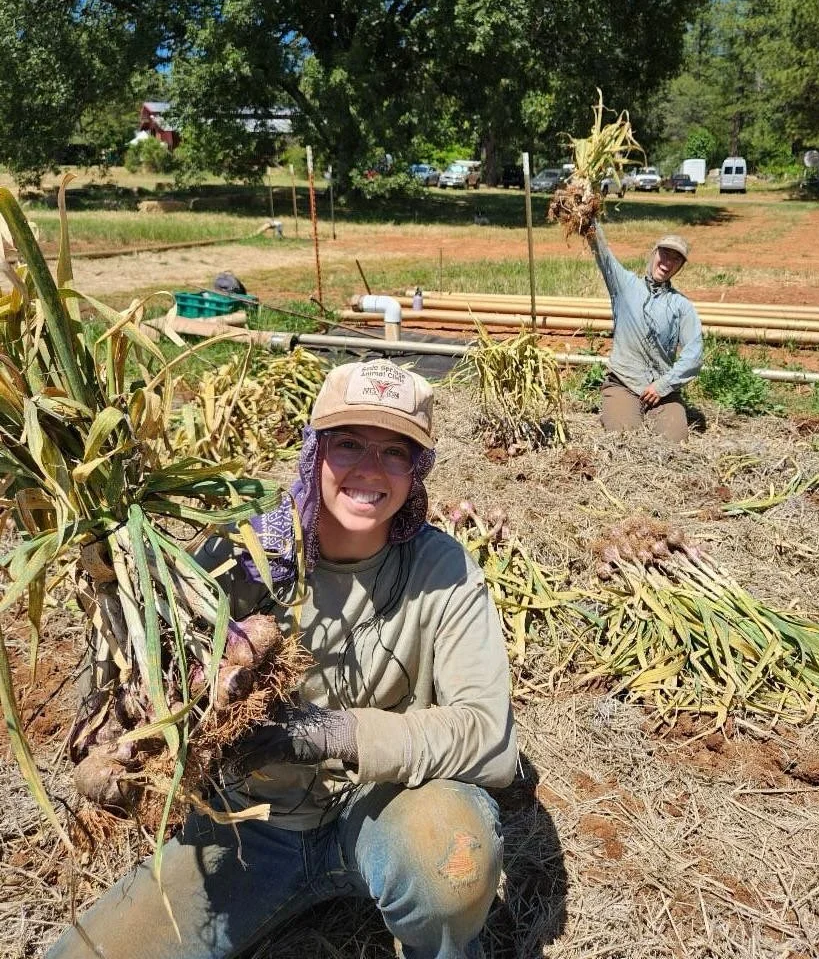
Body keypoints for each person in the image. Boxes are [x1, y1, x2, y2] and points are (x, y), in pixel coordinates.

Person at [48, 359, 517, 959]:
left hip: (382, 807)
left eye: (395, 451)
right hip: (250, 827)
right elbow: (145, 671)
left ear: (416, 469)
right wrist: (121, 733)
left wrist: (327, 735)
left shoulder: (441, 570)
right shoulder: (237, 553)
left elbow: (489, 739)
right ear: (314, 450)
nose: (370, 469)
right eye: (348, 444)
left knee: (445, 864)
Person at [588, 225, 702, 443]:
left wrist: (664, 385)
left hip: (663, 392)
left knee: (674, 443)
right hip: (623, 383)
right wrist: (588, 217)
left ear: (680, 267)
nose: (667, 263)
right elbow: (601, 251)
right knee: (624, 439)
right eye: (664, 254)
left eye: (675, 260)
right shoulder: (625, 286)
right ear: (654, 253)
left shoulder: (681, 305)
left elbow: (694, 355)